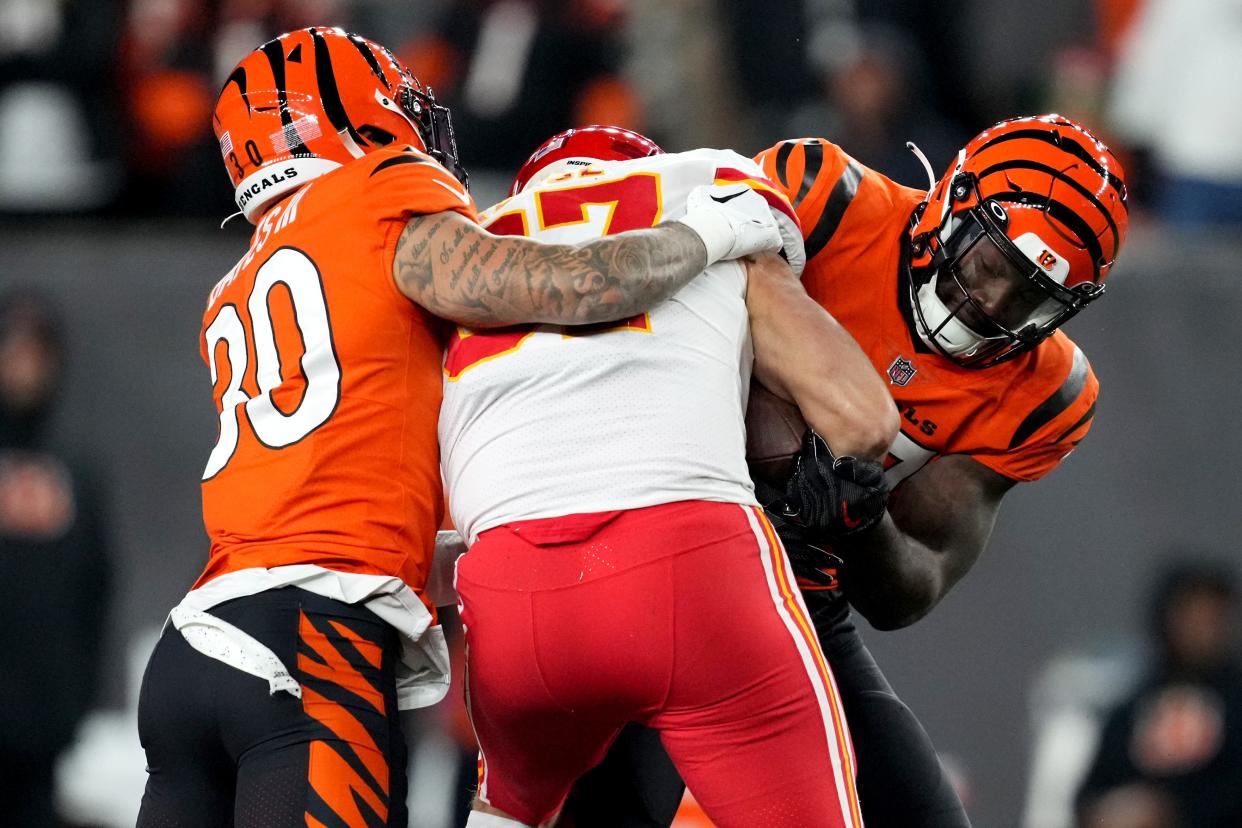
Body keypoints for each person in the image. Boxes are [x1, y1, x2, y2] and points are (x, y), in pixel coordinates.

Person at [135, 28, 786, 827]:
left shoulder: (233, 285)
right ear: (349, 114)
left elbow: (340, 487)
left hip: (193, 652)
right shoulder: (375, 192)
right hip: (309, 649)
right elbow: (564, 287)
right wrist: (710, 234)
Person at [563, 114, 1130, 827]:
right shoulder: (826, 197)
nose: (992, 303)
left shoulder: (1045, 394)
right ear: (952, 202)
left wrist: (863, 525)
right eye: (991, 265)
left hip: (797, 592)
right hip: (657, 543)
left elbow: (908, 590)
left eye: (1030, 299)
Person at [440, 125, 899, 828]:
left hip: (511, 594)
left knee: (507, 808)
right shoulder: (712, 198)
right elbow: (862, 419)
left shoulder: (465, 256)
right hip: (688, 562)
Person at [0, 288, 112, 828]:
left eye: (35, 352)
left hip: (43, 725)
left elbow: (97, 587)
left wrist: (79, 698)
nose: (23, 366)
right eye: (12, 349)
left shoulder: (76, 471)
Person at [1076, 560, 1242, 828]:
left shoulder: (1234, 704)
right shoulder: (1134, 707)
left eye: (1212, 616)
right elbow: (1092, 791)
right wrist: (1111, 810)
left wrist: (1173, 812)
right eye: (1191, 614)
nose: (1202, 628)